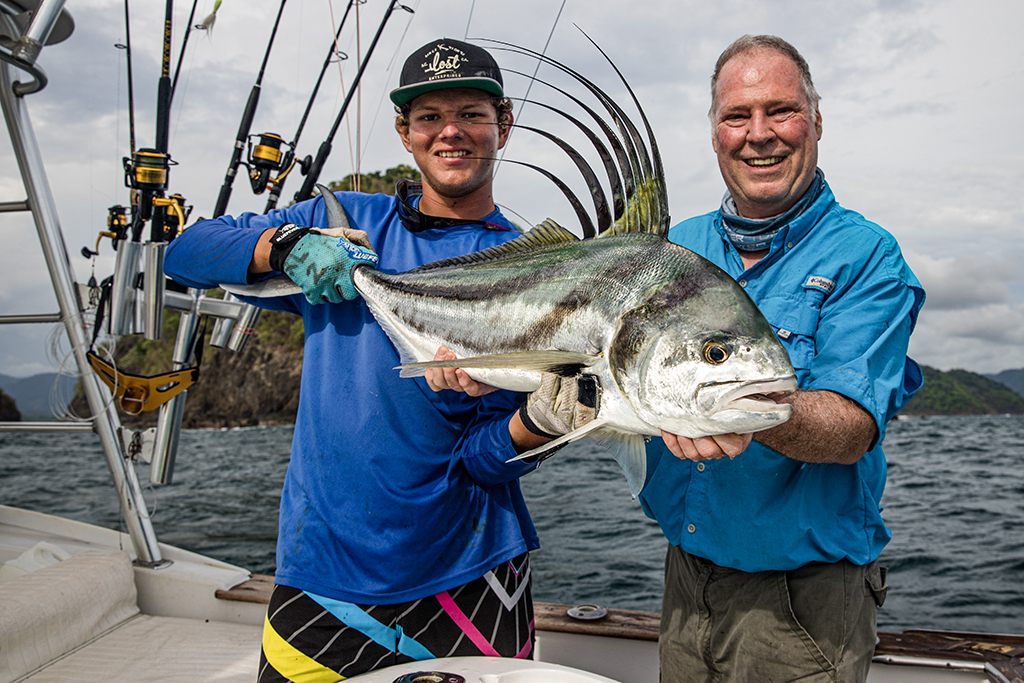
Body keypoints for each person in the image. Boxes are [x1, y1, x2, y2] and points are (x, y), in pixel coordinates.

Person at [163, 38, 586, 681]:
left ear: (503, 124)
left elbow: (484, 458)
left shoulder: (535, 268)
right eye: (429, 117)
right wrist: (287, 248)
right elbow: (189, 251)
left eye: (472, 113)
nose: (452, 132)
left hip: (469, 573)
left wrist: (548, 423)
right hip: (321, 570)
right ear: (405, 132)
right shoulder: (342, 220)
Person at [639, 35, 926, 682]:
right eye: (737, 116)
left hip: (802, 606)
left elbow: (851, 426)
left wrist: (742, 408)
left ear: (817, 122)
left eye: (781, 111)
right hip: (683, 583)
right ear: (715, 133)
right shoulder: (670, 248)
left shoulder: (868, 257)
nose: (759, 134)